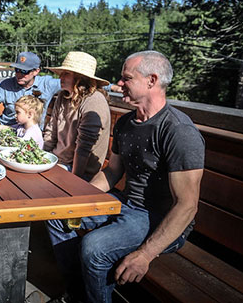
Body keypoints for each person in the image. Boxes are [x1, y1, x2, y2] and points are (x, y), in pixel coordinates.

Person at [46, 50, 204, 303]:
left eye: (127, 78)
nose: (119, 84)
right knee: (56, 216)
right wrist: (76, 198)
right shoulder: (126, 123)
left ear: (152, 80)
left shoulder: (178, 131)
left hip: (160, 219)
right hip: (125, 203)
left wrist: (146, 254)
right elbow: (112, 172)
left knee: (94, 248)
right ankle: (78, 293)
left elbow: (187, 206)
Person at [43, 52, 111, 181]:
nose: (60, 77)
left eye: (66, 73)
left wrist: (74, 181)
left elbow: (84, 149)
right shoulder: (63, 96)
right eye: (61, 73)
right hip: (57, 161)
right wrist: (41, 156)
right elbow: (51, 132)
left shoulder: (94, 101)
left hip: (79, 172)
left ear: (80, 78)